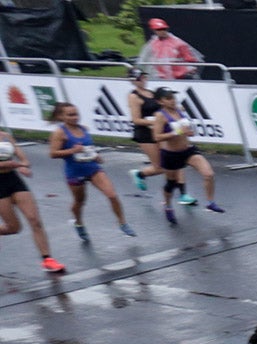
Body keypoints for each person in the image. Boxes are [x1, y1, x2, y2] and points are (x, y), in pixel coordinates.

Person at [47, 103, 136, 242]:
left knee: (112, 195)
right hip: (75, 171)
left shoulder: (84, 129)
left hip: (92, 168)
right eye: (70, 115)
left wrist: (97, 156)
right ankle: (78, 223)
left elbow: (89, 148)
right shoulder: (60, 132)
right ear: (61, 116)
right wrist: (72, 151)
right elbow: (52, 154)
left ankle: (123, 223)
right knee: (80, 201)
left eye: (76, 114)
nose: (75, 117)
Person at [151, 87, 223, 225]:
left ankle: (210, 202)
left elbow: (186, 129)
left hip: (188, 150)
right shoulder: (160, 116)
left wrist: (189, 132)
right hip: (171, 154)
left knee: (208, 174)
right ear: (160, 101)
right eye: (168, 98)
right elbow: (157, 137)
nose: (172, 101)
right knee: (171, 184)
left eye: (173, 97)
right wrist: (177, 132)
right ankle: (167, 205)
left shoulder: (180, 110)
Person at [0, 130, 65, 273]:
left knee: (34, 220)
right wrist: (13, 164)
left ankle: (48, 260)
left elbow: (23, 159)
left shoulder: (5, 135)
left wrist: (23, 165)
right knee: (13, 228)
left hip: (13, 180)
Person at [126, 68, 193, 204]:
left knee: (176, 162)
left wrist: (177, 110)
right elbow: (136, 119)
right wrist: (155, 121)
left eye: (144, 77)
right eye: (139, 78)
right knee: (160, 167)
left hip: (162, 132)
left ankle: (183, 194)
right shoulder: (134, 97)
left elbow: (166, 108)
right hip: (145, 134)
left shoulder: (153, 93)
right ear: (133, 81)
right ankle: (140, 174)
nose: (143, 80)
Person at [137, 18, 203, 81]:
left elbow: (190, 59)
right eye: (159, 29)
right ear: (154, 30)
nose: (162, 31)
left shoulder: (178, 43)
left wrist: (191, 68)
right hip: (160, 77)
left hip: (180, 77)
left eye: (164, 29)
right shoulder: (152, 44)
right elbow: (145, 58)